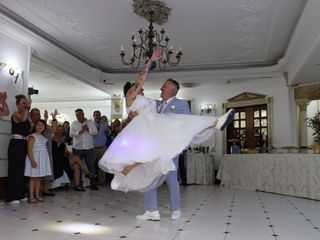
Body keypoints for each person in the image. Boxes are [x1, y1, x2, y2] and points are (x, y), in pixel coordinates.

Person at [98, 49, 235, 195]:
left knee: (159, 146)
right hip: (144, 128)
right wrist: (150, 61)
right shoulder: (131, 96)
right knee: (150, 153)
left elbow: (157, 104)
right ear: (131, 90)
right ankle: (123, 174)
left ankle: (216, 123)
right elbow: (141, 79)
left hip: (154, 127)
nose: (142, 89)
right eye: (139, 88)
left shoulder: (150, 101)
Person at [52, 125, 95, 191]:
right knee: (77, 158)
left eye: (61, 130)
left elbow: (66, 151)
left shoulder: (62, 140)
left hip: (63, 159)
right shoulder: (53, 138)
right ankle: (87, 173)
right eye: (59, 129)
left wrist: (70, 154)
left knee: (76, 165)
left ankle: (77, 186)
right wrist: (60, 142)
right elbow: (55, 150)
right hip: (56, 161)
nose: (60, 131)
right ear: (56, 130)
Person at [6, 94, 31, 204]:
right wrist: (28, 107)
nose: (25, 105)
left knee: (22, 169)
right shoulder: (15, 114)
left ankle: (20, 194)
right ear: (17, 105)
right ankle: (12, 196)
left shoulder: (26, 116)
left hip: (23, 144)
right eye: (23, 103)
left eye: (26, 103)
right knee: (15, 169)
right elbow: (22, 119)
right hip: (16, 144)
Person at [70, 108, 98, 190]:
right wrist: (80, 131)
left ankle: (93, 184)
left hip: (89, 148)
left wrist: (88, 129)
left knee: (91, 166)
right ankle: (79, 184)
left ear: (83, 114)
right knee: (78, 167)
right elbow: (71, 134)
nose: (78, 116)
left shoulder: (90, 122)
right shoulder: (74, 123)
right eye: (77, 115)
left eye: (79, 114)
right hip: (77, 148)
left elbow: (95, 132)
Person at [24, 119, 52, 203]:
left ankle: (37, 195)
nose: (40, 126)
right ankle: (31, 196)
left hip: (41, 160)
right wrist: (32, 161)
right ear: (35, 126)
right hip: (34, 159)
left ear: (44, 128)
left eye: (42, 125)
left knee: (38, 178)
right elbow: (29, 150)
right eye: (38, 125)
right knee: (33, 178)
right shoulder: (32, 136)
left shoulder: (43, 137)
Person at [30, 108, 55, 196]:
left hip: (46, 151)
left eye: (39, 114)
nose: (38, 116)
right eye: (36, 114)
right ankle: (34, 193)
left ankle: (45, 190)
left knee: (46, 169)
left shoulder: (44, 126)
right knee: (35, 173)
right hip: (35, 152)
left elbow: (53, 129)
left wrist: (49, 119)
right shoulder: (31, 126)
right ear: (31, 116)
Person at [92, 110, 109, 183]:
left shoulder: (104, 124)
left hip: (103, 148)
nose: (98, 116)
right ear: (94, 116)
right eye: (96, 115)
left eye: (99, 115)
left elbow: (108, 134)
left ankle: (102, 180)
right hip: (93, 148)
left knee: (102, 165)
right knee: (91, 165)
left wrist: (107, 131)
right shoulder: (91, 124)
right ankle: (92, 179)